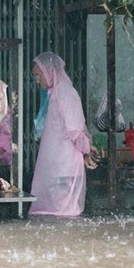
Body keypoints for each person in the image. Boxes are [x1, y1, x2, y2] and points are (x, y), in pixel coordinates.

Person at [28, 52, 97, 217]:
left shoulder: (65, 92)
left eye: (39, 75)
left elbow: (75, 129)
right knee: (54, 212)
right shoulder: (54, 93)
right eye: (35, 76)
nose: (38, 80)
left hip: (65, 164)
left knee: (63, 212)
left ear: (50, 71)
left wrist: (87, 149)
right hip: (57, 163)